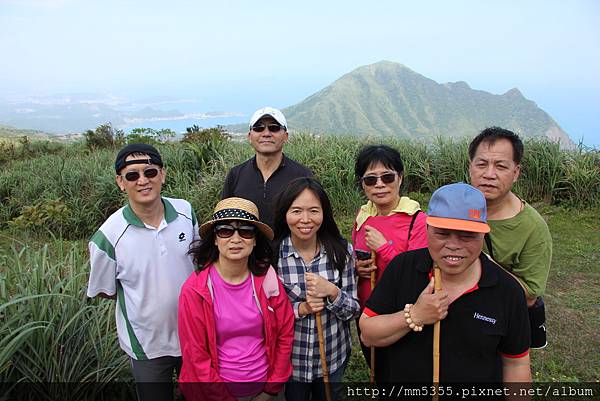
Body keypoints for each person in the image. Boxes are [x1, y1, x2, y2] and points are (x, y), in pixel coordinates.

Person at [359, 183, 531, 388]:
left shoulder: (507, 291)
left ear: (484, 234)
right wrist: (414, 316)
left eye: (467, 235)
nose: (454, 245)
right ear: (427, 228)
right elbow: (368, 334)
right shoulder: (402, 268)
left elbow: (516, 364)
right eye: (442, 233)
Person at [87, 143, 198, 401]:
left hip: (193, 335)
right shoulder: (108, 237)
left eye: (149, 172)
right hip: (146, 345)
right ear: (120, 182)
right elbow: (106, 290)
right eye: (132, 175)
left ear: (162, 174)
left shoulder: (185, 212)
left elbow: (198, 260)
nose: (143, 181)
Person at [178, 197, 294, 401]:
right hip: (213, 394)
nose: (236, 238)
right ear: (215, 238)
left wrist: (271, 389)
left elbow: (285, 331)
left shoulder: (267, 279)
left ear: (255, 239)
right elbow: (196, 356)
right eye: (225, 230)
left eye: (246, 231)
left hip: (267, 391)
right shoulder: (196, 290)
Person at [272, 177, 360, 401]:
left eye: (313, 210)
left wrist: (332, 292)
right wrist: (301, 309)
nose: (305, 219)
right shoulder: (273, 257)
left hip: (332, 358)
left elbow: (353, 310)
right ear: (285, 213)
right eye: (296, 211)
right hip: (290, 363)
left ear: (324, 213)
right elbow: (266, 314)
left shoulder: (341, 252)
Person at [469, 127, 552, 348]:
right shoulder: (454, 205)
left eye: (501, 166)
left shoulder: (532, 228)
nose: (489, 174)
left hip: (498, 324)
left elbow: (529, 295)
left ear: (516, 172)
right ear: (470, 167)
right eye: (481, 164)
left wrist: (481, 262)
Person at [352, 145, 428, 363]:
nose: (379, 185)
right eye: (370, 180)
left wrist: (384, 248)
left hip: (401, 314)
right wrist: (357, 268)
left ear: (400, 178)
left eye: (387, 177)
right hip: (367, 311)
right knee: (375, 368)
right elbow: (356, 256)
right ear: (362, 184)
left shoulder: (416, 220)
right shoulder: (362, 216)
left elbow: (418, 274)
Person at [222, 106, 313, 229]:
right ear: (249, 136)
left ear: (286, 136)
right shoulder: (236, 175)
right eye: (258, 128)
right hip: (249, 247)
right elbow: (225, 220)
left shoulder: (302, 175)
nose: (266, 134)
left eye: (274, 128)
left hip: (289, 247)